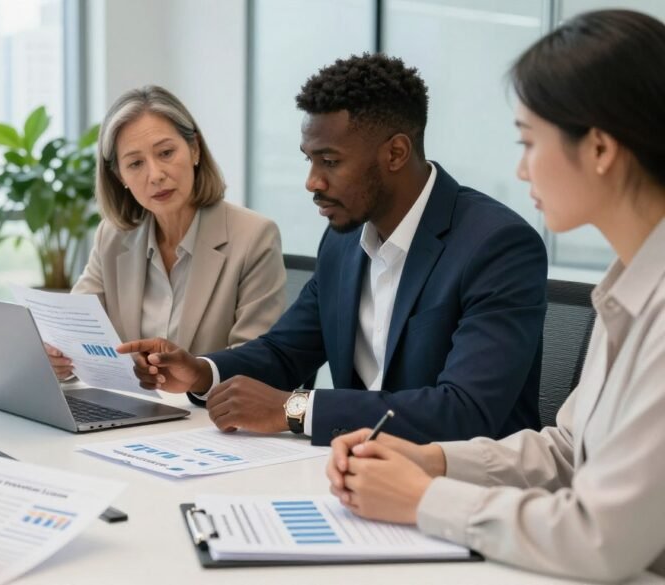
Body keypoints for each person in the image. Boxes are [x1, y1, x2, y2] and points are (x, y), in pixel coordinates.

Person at [326, 10, 665, 581]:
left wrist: (423, 499)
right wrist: (430, 460)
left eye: (530, 143)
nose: (521, 168)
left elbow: (601, 538)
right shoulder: (629, 284)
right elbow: (566, 450)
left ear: (601, 149)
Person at [118, 54, 548, 445]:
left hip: (466, 493)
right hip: (356, 476)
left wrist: (294, 409)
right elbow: (285, 352)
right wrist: (201, 371)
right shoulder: (343, 240)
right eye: (309, 159)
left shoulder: (496, 246)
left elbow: (465, 412)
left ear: (396, 152)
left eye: (330, 161)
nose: (312, 181)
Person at [44, 85, 285, 380]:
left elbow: (255, 365)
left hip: (209, 417)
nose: (156, 175)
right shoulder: (113, 236)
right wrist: (58, 358)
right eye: (135, 163)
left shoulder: (254, 236)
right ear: (120, 176)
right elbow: (74, 333)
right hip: (133, 412)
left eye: (166, 153)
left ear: (194, 149)